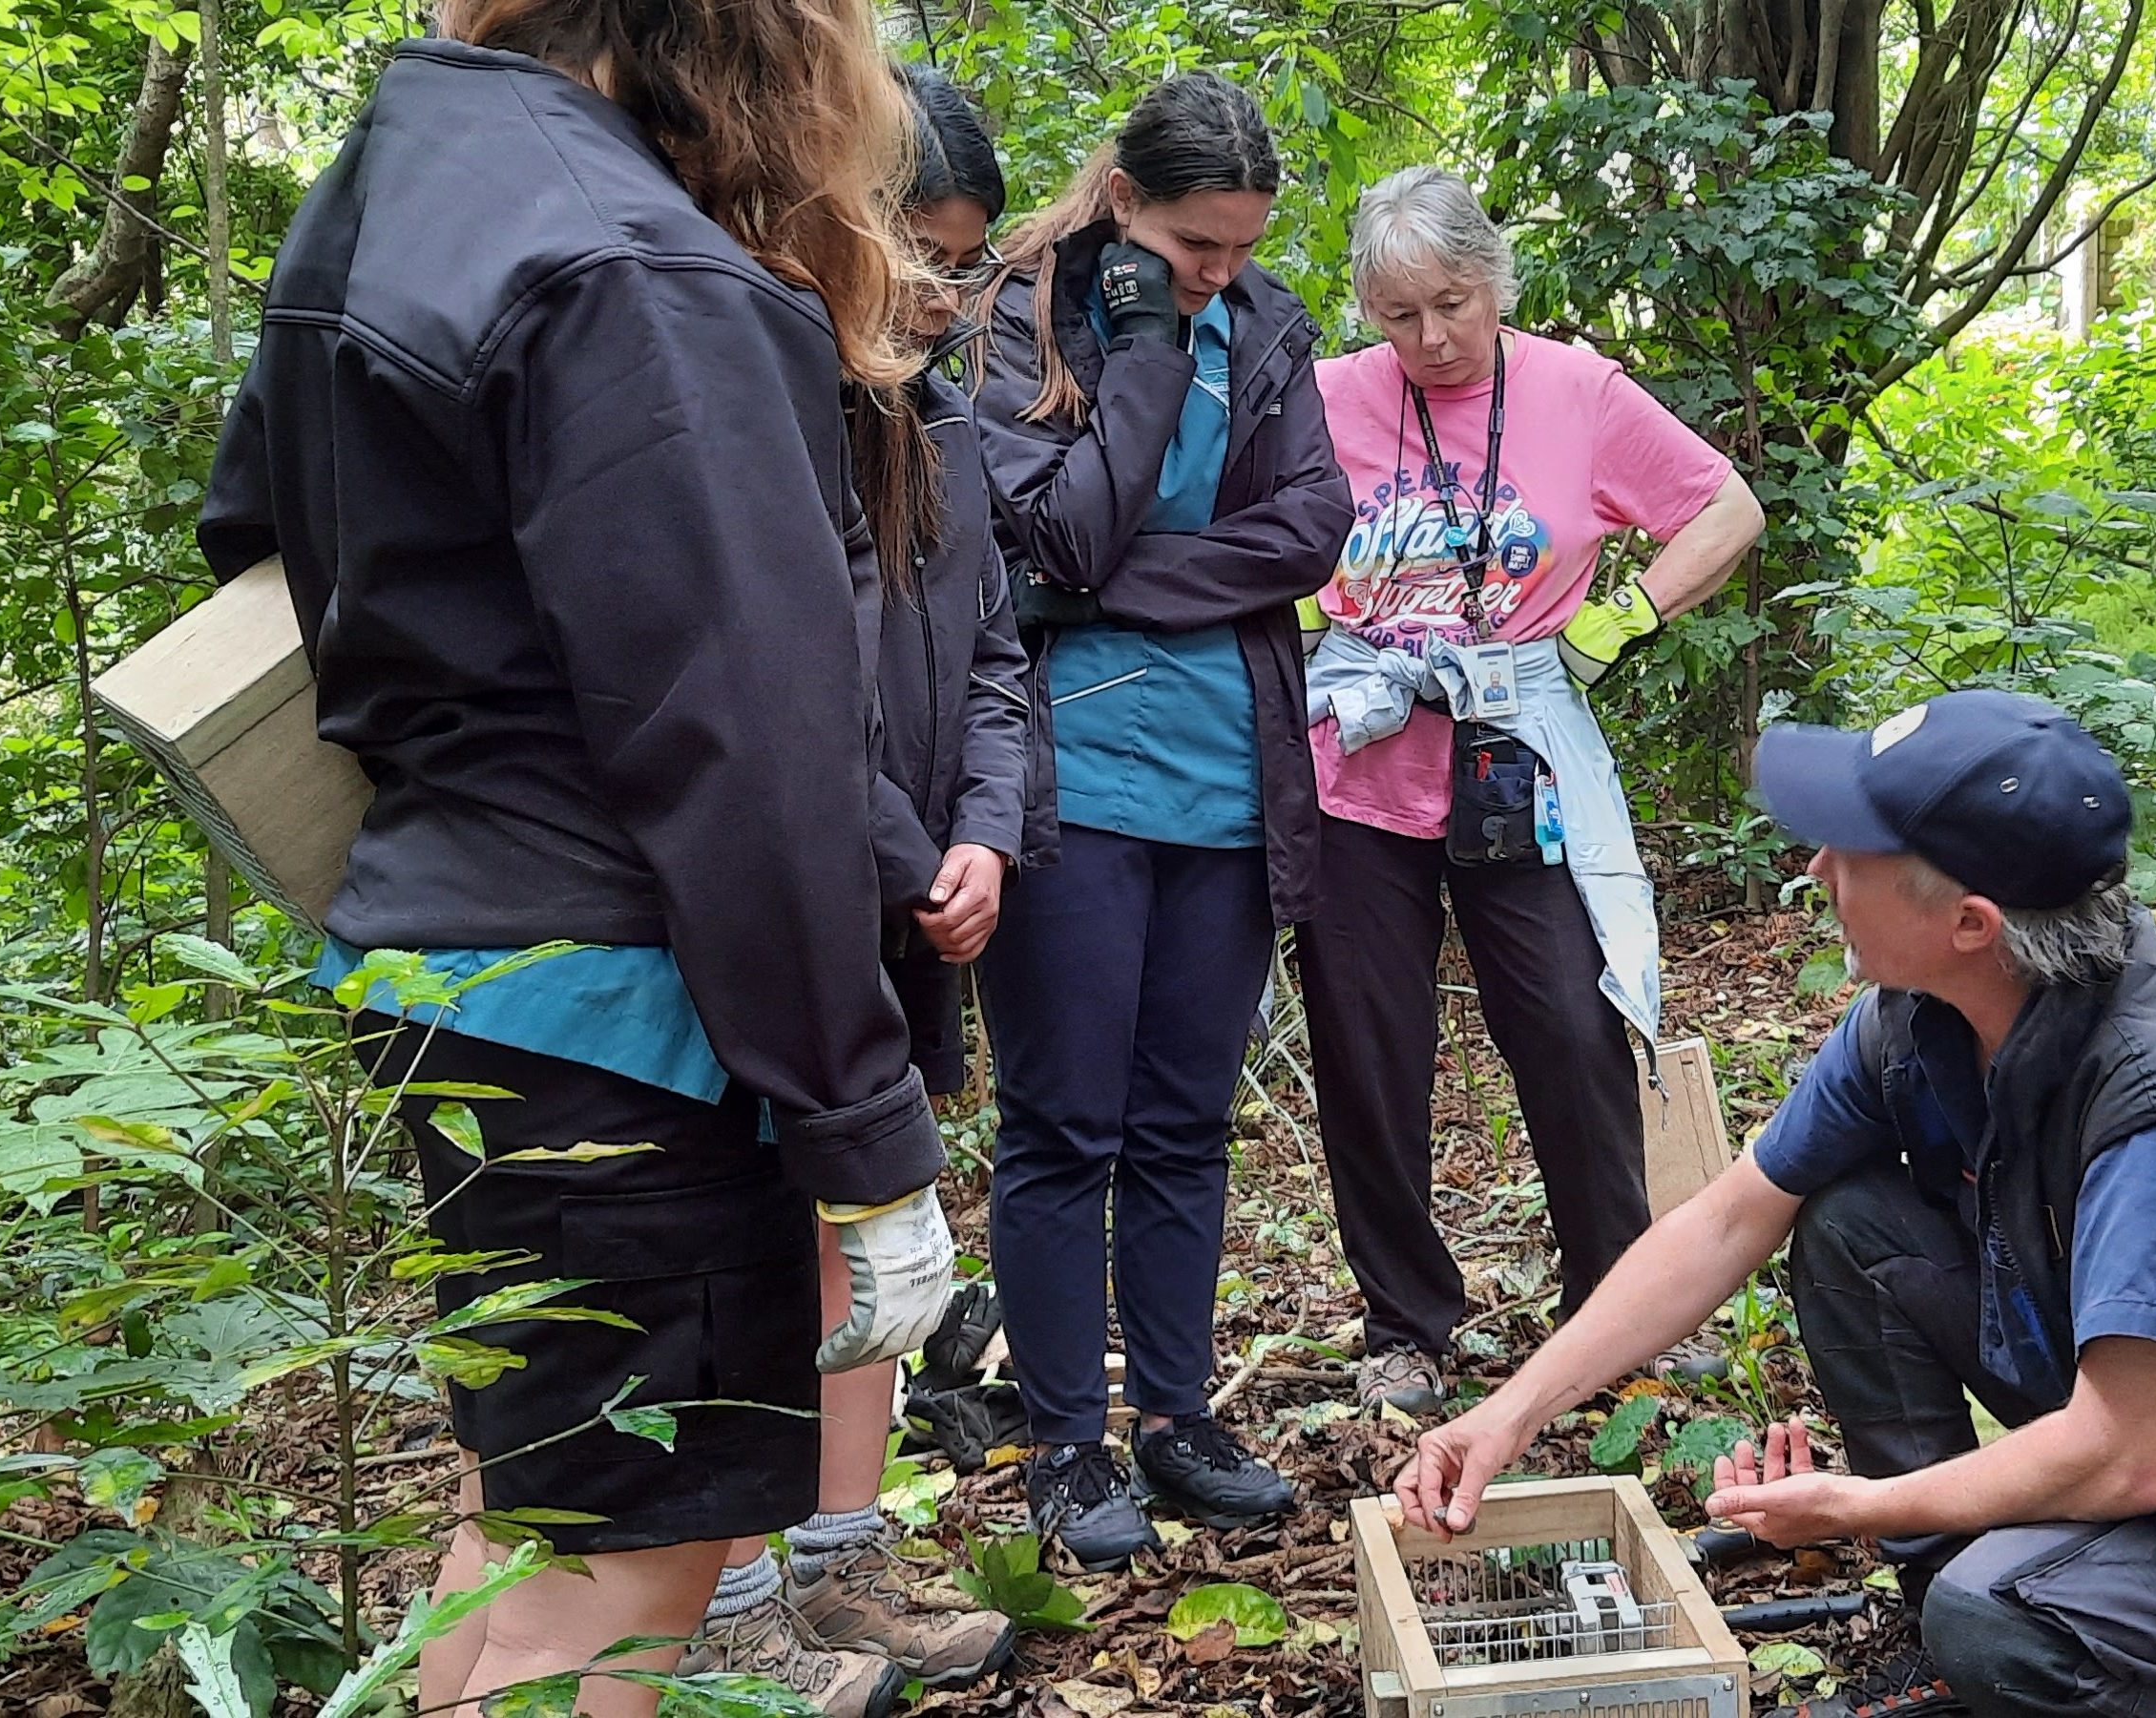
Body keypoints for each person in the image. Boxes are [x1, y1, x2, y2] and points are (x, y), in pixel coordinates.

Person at [196, 8, 959, 1716]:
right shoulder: (633, 267)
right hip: (618, 1014)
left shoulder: (399, 182)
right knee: (608, 1598)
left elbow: (262, 549)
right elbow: (749, 748)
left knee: (526, 1533)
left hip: (449, 963)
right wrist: (866, 1132)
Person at [1397, 690, 2156, 1718]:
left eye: (1847, 853)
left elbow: (2131, 1451)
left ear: (1969, 923)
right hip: (2119, 1410)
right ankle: (1948, 1617)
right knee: (1852, 1222)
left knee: (1999, 1618)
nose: (1815, 871)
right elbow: (1726, 1219)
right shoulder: (1917, 1016)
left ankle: (2121, 1657)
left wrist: (1859, 1508)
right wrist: (1508, 1416)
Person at [1294, 166, 1765, 1416]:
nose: (1431, 338)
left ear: (1495, 280)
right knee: (1368, 1050)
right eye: (1399, 317)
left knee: (1566, 1019)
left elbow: (1726, 506)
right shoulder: (1326, 399)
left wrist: (1622, 617)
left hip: (1518, 755)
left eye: (1451, 303)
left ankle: (1617, 1300)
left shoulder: (1574, 392)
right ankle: (1404, 1321)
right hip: (1357, 770)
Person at [971, 72, 1354, 1570]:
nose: (1222, 276)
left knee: (1187, 1124)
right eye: (1197, 247)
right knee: (1064, 1124)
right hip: (1068, 787)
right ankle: (1065, 1445)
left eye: (1241, 248)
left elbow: (1309, 530)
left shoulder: (1267, 329)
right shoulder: (1022, 313)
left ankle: (1179, 1419)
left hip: (1228, 786)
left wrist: (1117, 576)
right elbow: (1053, 524)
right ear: (1126, 203)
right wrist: (1137, 341)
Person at [687, 66, 1028, 1713]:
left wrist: (987, 833)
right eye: (922, 254)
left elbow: (1000, 661)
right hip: (777, 892)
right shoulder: (737, 384)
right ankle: (726, 1594)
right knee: (745, 1228)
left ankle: (840, 1560)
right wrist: (908, 847)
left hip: (911, 901)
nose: (943, 296)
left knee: (863, 1232)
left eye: (966, 264)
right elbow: (780, 679)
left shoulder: (940, 412)